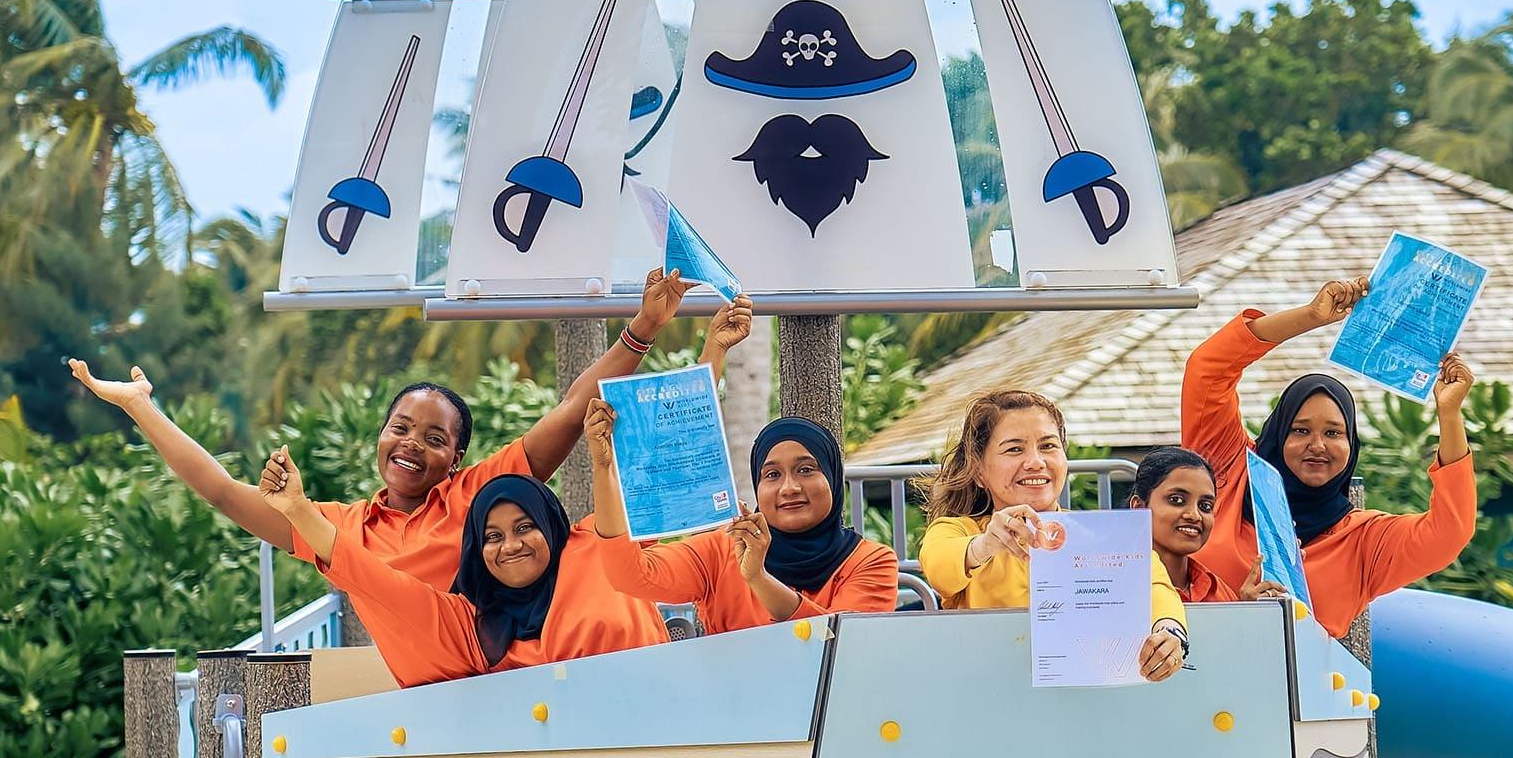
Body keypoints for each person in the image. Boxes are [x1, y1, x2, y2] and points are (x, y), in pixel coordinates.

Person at [69, 268, 752, 590]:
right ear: (380, 435)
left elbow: (574, 408)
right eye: (400, 427)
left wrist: (644, 327)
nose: (411, 445)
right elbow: (221, 490)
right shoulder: (337, 529)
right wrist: (140, 407)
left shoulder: (481, 496)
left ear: (457, 457)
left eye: (433, 438)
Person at [1181, 278, 1478, 638]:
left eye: (1334, 433)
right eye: (1300, 430)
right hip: (1187, 665)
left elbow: (1449, 532)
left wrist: (1449, 414)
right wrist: (1311, 316)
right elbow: (1208, 370)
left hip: (1305, 677)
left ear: (1351, 445)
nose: (1318, 445)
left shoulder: (1365, 541)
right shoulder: (1228, 471)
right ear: (1278, 433)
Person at [258, 449, 667, 688]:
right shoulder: (470, 627)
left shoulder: (597, 542)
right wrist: (298, 509)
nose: (511, 546)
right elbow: (374, 579)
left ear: (549, 524)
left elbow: (673, 481)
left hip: (674, 737)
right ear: (475, 549)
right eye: (493, 536)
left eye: (525, 527)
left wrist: (702, 371)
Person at [917, 389, 1188, 683]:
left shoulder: (1103, 534)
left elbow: (1154, 585)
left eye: (1048, 446)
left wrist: (1170, 631)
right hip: (988, 688)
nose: (1035, 462)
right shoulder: (959, 531)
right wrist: (984, 546)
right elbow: (939, 569)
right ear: (979, 471)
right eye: (1014, 449)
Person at [586, 410, 898, 632]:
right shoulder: (724, 548)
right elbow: (630, 576)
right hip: (733, 706)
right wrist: (604, 467)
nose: (789, 488)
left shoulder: (871, 561)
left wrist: (757, 578)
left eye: (806, 470)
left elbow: (839, 647)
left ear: (832, 477)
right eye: (772, 474)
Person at [1126, 446, 1288, 605]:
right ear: (1139, 507)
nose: (1194, 515)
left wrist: (1248, 612)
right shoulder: (1116, 588)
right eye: (1176, 500)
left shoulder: (1218, 593)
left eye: (1205, 506)